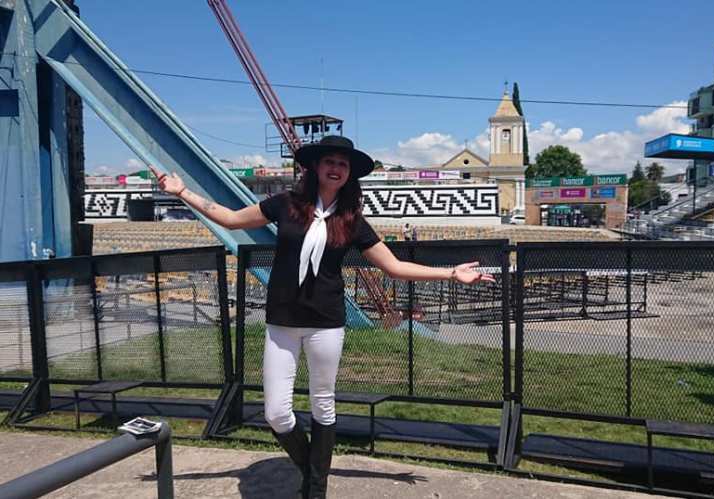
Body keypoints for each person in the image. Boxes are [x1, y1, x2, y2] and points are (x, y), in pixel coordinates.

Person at [149, 135, 493, 499]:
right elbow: (231, 219)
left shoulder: (351, 220)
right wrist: (183, 192)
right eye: (329, 161)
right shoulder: (287, 204)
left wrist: (450, 273)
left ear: (349, 175)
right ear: (315, 167)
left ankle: (315, 490)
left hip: (326, 323)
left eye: (343, 164)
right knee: (276, 413)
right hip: (282, 321)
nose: (336, 168)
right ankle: (313, 470)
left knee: (323, 404)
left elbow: (393, 266)